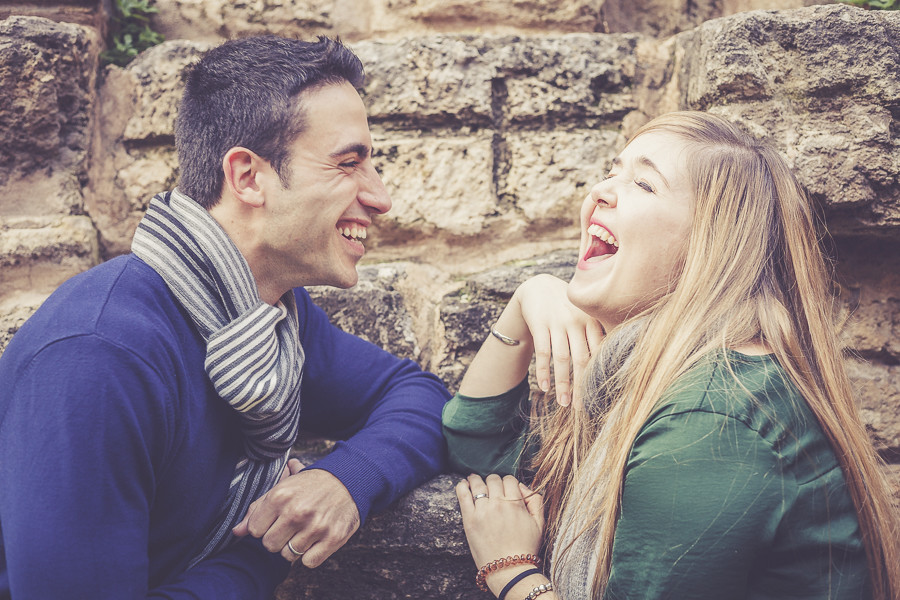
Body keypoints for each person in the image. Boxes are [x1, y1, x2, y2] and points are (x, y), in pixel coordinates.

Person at [0, 36, 449, 598]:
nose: (380, 197)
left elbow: (421, 396)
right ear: (247, 177)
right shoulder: (98, 356)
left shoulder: (266, 317)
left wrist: (344, 478)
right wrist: (262, 555)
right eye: (348, 163)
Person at [442, 111, 900, 600]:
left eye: (643, 183)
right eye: (611, 171)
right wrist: (525, 300)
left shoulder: (710, 420)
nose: (601, 190)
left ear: (708, 245)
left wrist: (512, 573)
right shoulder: (645, 378)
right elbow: (478, 448)